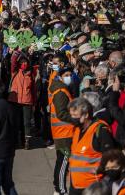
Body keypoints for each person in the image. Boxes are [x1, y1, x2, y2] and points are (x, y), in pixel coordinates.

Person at [68, 96, 116, 194]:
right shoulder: (77, 129)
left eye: (75, 115)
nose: (72, 118)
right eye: (71, 115)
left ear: (86, 115)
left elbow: (110, 158)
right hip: (75, 185)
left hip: (92, 187)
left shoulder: (100, 131)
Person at [49, 65, 76, 195]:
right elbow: (61, 113)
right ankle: (61, 189)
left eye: (70, 75)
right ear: (60, 77)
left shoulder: (61, 89)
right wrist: (77, 119)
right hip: (64, 132)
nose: (69, 77)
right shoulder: (61, 91)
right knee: (63, 162)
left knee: (61, 161)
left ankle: (58, 187)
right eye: (66, 75)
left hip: (62, 131)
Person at [9, 53, 37, 150]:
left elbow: (33, 90)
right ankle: (17, 141)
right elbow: (13, 62)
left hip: (27, 101)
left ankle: (27, 141)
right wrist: (16, 54)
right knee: (17, 121)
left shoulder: (31, 74)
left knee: (26, 123)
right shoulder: (15, 72)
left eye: (25, 62)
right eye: (22, 62)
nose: (24, 64)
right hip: (15, 101)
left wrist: (34, 103)